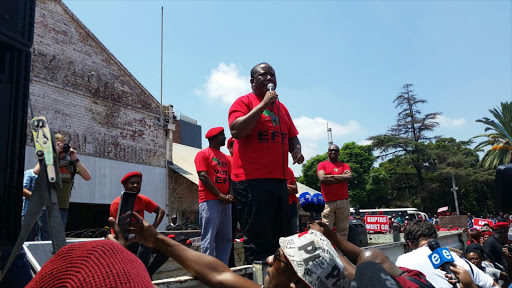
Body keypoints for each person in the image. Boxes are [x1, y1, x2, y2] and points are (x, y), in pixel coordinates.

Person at [228, 62, 304, 264]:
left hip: (278, 182)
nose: (270, 78)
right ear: (252, 82)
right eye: (264, 75)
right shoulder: (243, 102)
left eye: (272, 74)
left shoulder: (282, 108)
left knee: (280, 239)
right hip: (251, 181)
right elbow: (236, 130)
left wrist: (296, 150)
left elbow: (293, 137)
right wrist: (263, 105)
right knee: (258, 240)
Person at [396, 220, 498, 287]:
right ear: (436, 237)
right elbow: (493, 285)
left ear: (409, 243)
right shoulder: (457, 260)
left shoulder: (401, 261)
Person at [38, 133, 91, 240]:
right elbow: (36, 171)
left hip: (62, 208)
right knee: (45, 240)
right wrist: (52, 154)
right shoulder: (48, 159)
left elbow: (87, 177)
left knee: (58, 239)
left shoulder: (70, 164)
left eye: (62, 145)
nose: (61, 147)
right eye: (57, 145)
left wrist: (75, 159)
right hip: (46, 207)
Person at [110, 171, 165, 270]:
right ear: (125, 186)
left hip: (139, 238)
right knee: (145, 241)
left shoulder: (142, 199)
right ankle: (141, 274)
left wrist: (152, 229)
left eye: (138, 183)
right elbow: (117, 228)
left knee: (167, 245)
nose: (136, 185)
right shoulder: (117, 203)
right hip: (122, 239)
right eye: (132, 183)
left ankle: (147, 274)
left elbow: (161, 211)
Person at [194, 127, 233, 265]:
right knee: (209, 237)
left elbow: (230, 178)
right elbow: (203, 176)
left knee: (226, 237)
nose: (224, 137)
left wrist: (229, 195)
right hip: (209, 201)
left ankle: (222, 266)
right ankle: (207, 268)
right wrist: (220, 195)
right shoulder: (203, 154)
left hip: (225, 202)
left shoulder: (226, 159)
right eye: (222, 135)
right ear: (213, 138)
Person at [316, 144, 352, 239]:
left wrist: (329, 177)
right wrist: (341, 177)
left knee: (343, 229)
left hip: (343, 201)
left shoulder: (345, 165)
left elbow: (348, 177)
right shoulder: (322, 164)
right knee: (326, 229)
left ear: (339, 153)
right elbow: (322, 178)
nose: (333, 152)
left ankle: (341, 252)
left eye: (335, 150)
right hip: (328, 202)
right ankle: (326, 251)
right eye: (331, 150)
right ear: (328, 152)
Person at [22, 167, 39, 241]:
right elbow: (23, 189)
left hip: (40, 214)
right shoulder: (30, 174)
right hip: (28, 212)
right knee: (26, 239)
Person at [286, 167, 299, 236]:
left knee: (293, 232)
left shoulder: (289, 170)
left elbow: (296, 189)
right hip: (280, 204)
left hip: (292, 204)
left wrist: (284, 186)